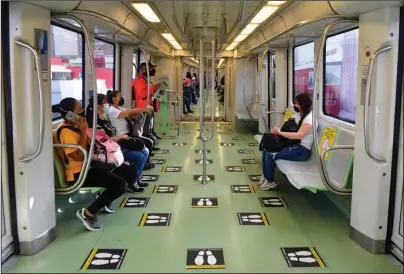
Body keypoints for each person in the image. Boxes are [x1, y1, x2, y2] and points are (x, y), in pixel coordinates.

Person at [52, 98, 142, 231]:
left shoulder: (76, 126)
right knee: (120, 184)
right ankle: (87, 213)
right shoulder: (65, 132)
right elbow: (77, 156)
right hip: (79, 172)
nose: (82, 111)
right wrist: (84, 132)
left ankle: (105, 198)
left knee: (129, 173)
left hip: (90, 166)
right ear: (70, 114)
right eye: (78, 110)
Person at [85, 94, 149, 188]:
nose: (107, 104)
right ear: (98, 105)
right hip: (107, 150)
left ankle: (136, 178)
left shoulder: (104, 116)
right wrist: (119, 137)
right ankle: (133, 181)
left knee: (145, 151)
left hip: (115, 144)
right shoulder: (94, 122)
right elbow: (101, 141)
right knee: (139, 157)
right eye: (105, 102)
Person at [259, 93, 315, 190]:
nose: (295, 106)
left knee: (271, 154)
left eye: (297, 103)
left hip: (301, 150)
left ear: (304, 104)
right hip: (294, 145)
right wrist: (278, 131)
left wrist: (280, 133)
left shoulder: (309, 119)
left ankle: (270, 181)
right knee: (266, 148)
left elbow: (298, 135)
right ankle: (266, 176)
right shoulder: (301, 115)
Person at [106, 90, 156, 170]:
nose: (121, 98)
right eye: (119, 96)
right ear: (114, 99)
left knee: (149, 141)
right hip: (121, 137)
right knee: (146, 143)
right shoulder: (112, 111)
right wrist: (144, 109)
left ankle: (145, 164)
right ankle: (144, 164)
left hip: (129, 134)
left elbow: (130, 111)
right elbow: (128, 113)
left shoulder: (119, 108)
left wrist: (144, 110)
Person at [133, 62, 161, 140]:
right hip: (143, 108)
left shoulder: (147, 80)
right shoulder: (139, 81)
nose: (153, 70)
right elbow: (142, 94)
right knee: (146, 128)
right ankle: (148, 142)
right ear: (143, 70)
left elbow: (150, 92)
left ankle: (152, 137)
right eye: (150, 68)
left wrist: (157, 91)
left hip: (149, 107)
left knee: (150, 125)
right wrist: (154, 88)